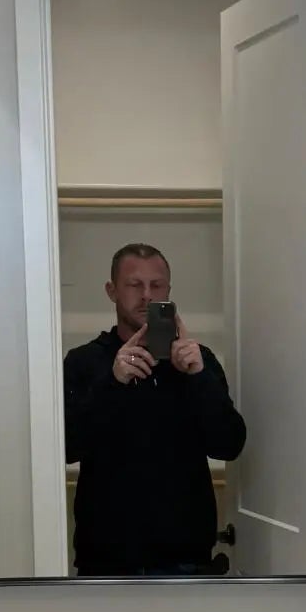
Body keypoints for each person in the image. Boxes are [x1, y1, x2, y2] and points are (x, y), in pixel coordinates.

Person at [63, 243, 246, 576]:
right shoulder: (84, 362)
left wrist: (198, 377)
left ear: (168, 292)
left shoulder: (198, 361)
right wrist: (112, 382)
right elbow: (66, 447)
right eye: (135, 285)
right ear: (112, 291)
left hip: (187, 557)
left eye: (157, 285)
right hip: (106, 559)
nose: (147, 295)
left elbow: (229, 445)